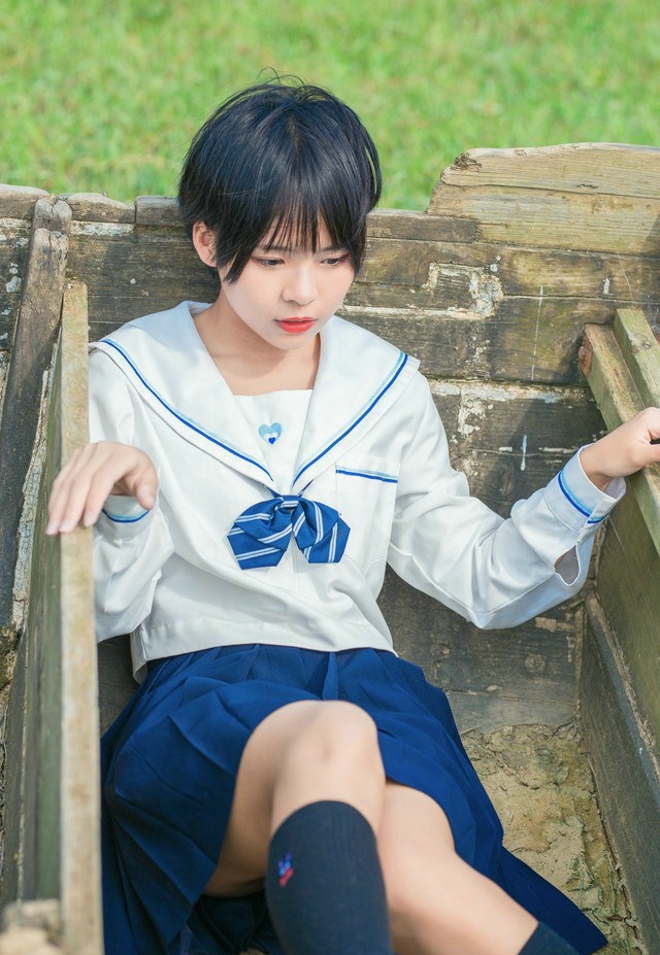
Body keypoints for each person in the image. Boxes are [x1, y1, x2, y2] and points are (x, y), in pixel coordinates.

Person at [46, 77, 660, 955]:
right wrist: (127, 502)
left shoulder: (385, 383)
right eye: (273, 260)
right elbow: (100, 612)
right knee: (332, 737)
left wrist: (592, 473)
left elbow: (480, 576)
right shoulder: (132, 373)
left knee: (405, 868)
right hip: (209, 698)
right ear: (208, 239)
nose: (304, 291)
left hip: (371, 689)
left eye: (333, 258)